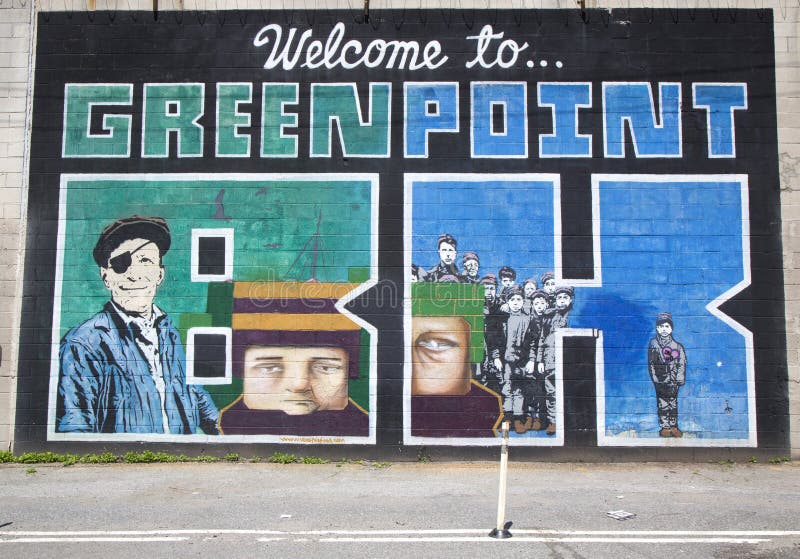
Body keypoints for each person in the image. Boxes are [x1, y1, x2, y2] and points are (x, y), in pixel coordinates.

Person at [57, 215, 219, 434]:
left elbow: (188, 386)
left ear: (160, 275)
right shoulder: (84, 343)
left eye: (145, 261)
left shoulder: (166, 329)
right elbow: (74, 421)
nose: (134, 275)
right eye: (121, 264)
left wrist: (217, 425)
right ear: (106, 277)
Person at [538, 285, 574, 436]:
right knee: (551, 392)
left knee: (569, 392)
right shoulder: (548, 317)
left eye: (565, 297)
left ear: (571, 299)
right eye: (559, 297)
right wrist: (540, 360)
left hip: (568, 361)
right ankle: (553, 421)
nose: (562, 301)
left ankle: (569, 423)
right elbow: (541, 339)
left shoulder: (573, 316)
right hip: (550, 361)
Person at [647, 312, 687, 438]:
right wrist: (654, 378)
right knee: (662, 403)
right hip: (660, 381)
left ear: (671, 328)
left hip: (673, 380)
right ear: (657, 328)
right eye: (661, 326)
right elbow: (651, 362)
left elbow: (681, 363)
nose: (664, 329)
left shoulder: (677, 346)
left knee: (673, 403)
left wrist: (679, 378)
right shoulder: (653, 344)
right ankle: (665, 426)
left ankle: (673, 426)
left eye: (667, 326)